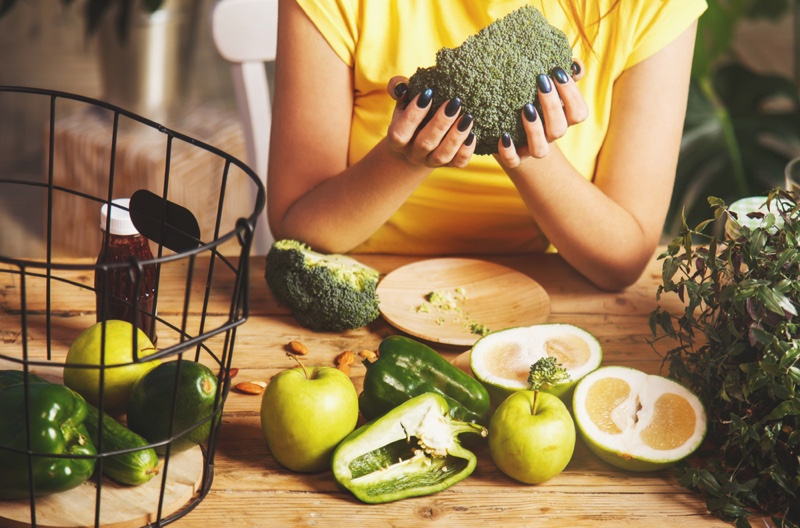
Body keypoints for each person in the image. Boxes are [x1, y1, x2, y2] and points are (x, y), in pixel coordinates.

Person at [267, 0, 707, 291]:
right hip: (364, 283)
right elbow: (297, 228)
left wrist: (526, 150)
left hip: (550, 294)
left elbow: (622, 260)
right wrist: (403, 159)